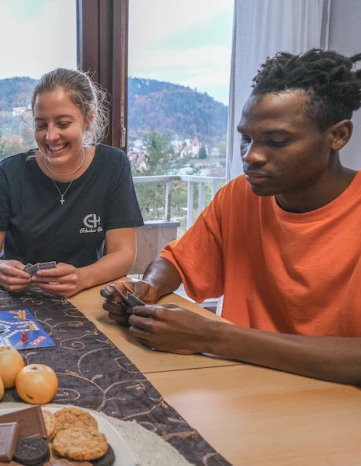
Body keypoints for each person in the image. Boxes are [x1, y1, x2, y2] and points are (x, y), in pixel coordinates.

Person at [101, 49, 361, 385]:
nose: (251, 155)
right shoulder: (240, 195)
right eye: (246, 138)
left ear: (338, 135)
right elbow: (177, 264)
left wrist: (213, 337)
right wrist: (147, 288)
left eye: (277, 141)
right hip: (237, 387)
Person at [0, 68, 144, 297]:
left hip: (86, 294)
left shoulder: (113, 165)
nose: (50, 137)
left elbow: (123, 253)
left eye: (62, 124)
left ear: (88, 119)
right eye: (41, 125)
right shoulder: (10, 172)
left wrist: (82, 278)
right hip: (22, 299)